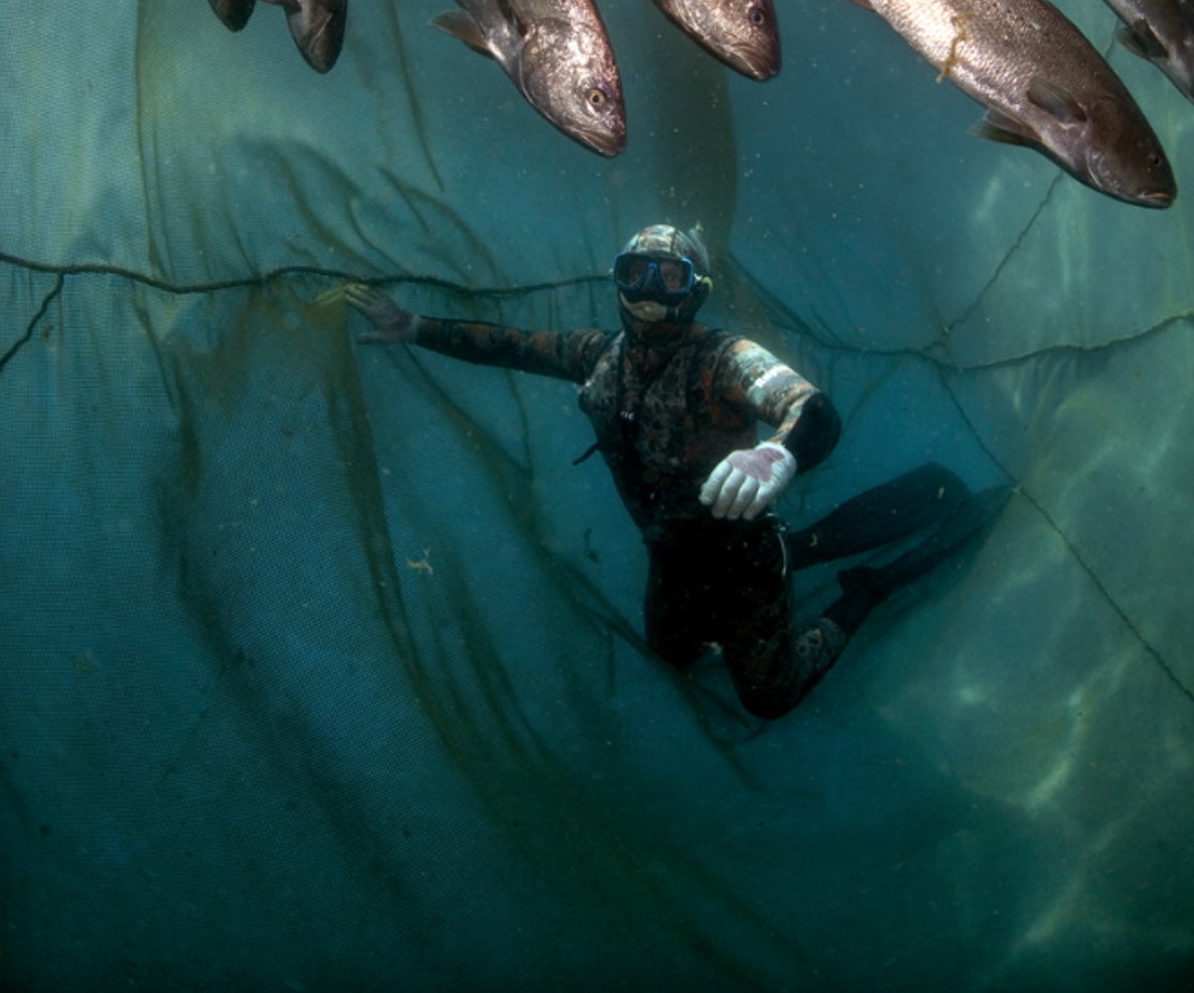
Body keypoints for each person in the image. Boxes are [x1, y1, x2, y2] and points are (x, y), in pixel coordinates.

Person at [344, 225, 1008, 719]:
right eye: (638, 273)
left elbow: (810, 406)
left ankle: (864, 590)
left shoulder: (723, 358)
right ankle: (799, 549)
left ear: (697, 292)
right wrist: (413, 326)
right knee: (672, 653)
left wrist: (777, 452)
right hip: (668, 552)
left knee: (769, 697)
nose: (651, 295)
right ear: (618, 277)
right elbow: (512, 346)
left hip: (740, 556)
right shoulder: (599, 356)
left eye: (672, 279)